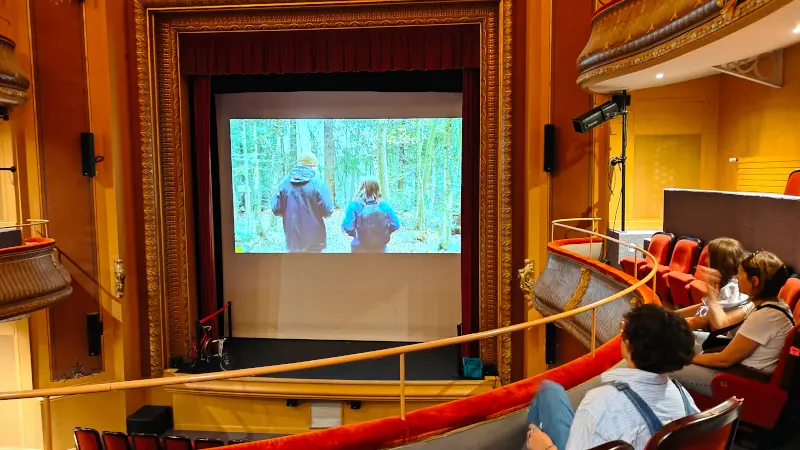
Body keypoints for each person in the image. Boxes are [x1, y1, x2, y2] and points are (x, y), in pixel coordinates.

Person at [526, 304, 698, 450]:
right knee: (550, 390)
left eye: (623, 328)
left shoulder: (599, 403)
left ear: (630, 344)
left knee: (546, 397)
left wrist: (547, 448)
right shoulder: (681, 395)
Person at [671, 250, 795, 396]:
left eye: (740, 273)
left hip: (738, 379)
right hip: (737, 365)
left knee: (667, 366)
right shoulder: (771, 304)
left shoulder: (766, 316)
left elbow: (724, 360)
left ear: (754, 281)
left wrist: (686, 358)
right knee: (684, 336)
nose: (736, 277)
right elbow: (723, 323)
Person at [678, 238, 751, 336]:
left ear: (718, 262)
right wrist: (672, 314)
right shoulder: (727, 283)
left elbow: (701, 319)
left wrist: (669, 321)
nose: (705, 260)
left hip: (730, 343)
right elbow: (705, 306)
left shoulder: (732, 289)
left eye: (708, 256)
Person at [271, 152, 334, 253]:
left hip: (292, 240)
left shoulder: (284, 183)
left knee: (295, 268)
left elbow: (276, 209)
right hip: (314, 240)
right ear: (313, 166)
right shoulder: (317, 183)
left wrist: (287, 212)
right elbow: (327, 210)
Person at [342, 177, 400, 253]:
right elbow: (396, 224)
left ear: (361, 187)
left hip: (359, 248)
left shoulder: (354, 205)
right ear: (377, 188)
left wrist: (358, 235)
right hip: (380, 248)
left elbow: (347, 227)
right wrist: (383, 232)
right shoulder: (384, 205)